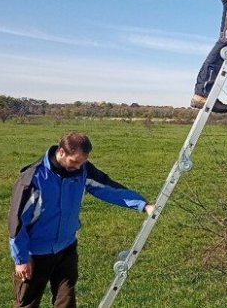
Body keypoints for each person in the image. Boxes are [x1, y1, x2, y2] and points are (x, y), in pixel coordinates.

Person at [8, 132, 154, 308]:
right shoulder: (32, 179)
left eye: (82, 162)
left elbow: (107, 188)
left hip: (66, 249)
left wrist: (143, 204)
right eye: (75, 161)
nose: (78, 167)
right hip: (35, 254)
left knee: (67, 301)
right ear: (61, 152)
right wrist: (21, 259)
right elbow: (17, 222)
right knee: (27, 304)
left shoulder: (82, 170)